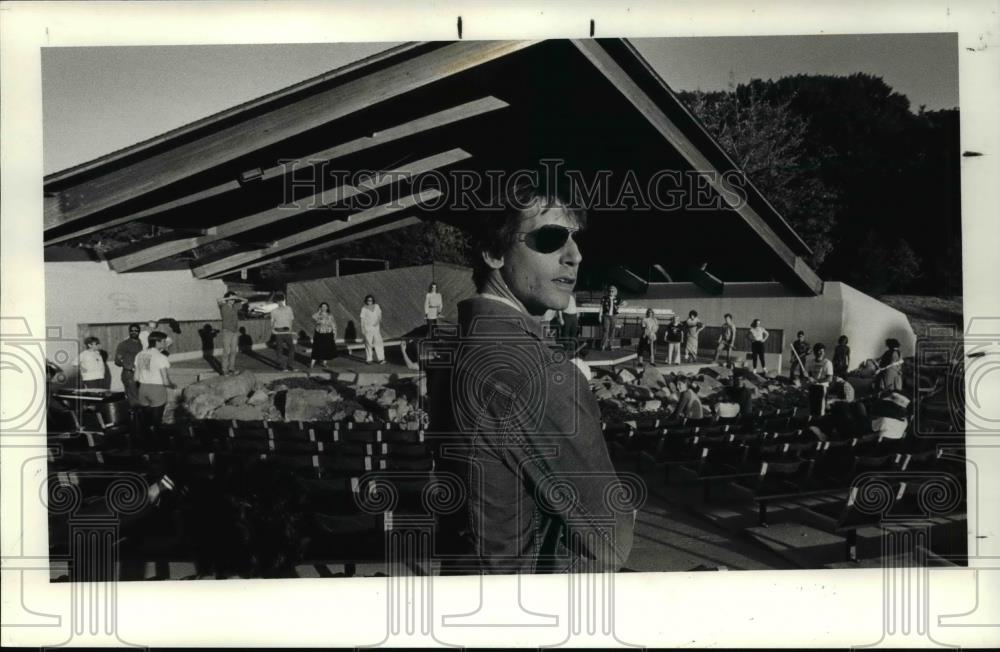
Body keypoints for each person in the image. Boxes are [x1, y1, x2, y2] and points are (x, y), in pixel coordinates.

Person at [427, 180, 634, 574]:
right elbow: (611, 537)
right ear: (492, 252)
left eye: (574, 239)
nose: (574, 255)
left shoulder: (456, 348)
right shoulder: (537, 370)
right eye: (551, 238)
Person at [134, 331, 176, 438]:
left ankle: (145, 444)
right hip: (157, 390)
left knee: (145, 422)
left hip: (143, 388)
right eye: (163, 341)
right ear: (157, 342)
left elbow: (136, 377)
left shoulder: (140, 354)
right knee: (156, 423)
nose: (165, 343)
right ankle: (156, 446)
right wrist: (172, 385)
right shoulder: (161, 357)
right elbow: (165, 380)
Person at [217, 291, 247, 376]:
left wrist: (236, 297)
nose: (232, 300)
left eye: (233, 299)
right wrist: (229, 298)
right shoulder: (223, 306)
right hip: (227, 331)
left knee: (234, 351)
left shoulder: (235, 307)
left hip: (235, 331)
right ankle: (224, 370)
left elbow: (246, 300)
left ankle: (231, 368)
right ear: (227, 299)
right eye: (231, 299)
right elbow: (218, 300)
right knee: (226, 351)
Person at [114, 323, 143, 405]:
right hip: (129, 375)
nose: (134, 332)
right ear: (129, 332)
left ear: (139, 332)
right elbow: (117, 360)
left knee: (139, 397)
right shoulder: (124, 344)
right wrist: (130, 367)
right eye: (131, 331)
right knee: (134, 400)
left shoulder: (139, 343)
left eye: (136, 331)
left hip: (138, 374)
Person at [269, 292, 296, 371]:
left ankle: (290, 365)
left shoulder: (289, 308)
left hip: (287, 331)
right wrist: (273, 330)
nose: (280, 302)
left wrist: (290, 328)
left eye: (281, 300)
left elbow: (291, 319)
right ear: (276, 302)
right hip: (278, 331)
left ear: (283, 300)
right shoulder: (274, 311)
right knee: (279, 349)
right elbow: (272, 322)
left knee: (292, 348)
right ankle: (281, 366)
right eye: (278, 301)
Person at [806, 343, 834, 416]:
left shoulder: (827, 363)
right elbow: (809, 375)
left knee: (820, 411)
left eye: (822, 351)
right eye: (818, 351)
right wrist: (808, 377)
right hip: (812, 388)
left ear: (824, 352)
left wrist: (816, 381)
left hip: (822, 388)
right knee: (812, 409)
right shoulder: (811, 362)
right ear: (814, 352)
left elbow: (829, 378)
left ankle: (820, 423)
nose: (820, 353)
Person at [309, 302, 337, 371]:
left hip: (328, 333)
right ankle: (312, 363)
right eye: (322, 307)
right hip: (319, 333)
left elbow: (333, 325)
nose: (324, 308)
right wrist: (318, 311)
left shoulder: (330, 315)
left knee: (326, 348)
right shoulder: (318, 315)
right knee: (316, 348)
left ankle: (324, 363)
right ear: (320, 308)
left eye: (325, 307)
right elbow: (313, 317)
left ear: (327, 308)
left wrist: (335, 334)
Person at [360, 295, 385, 365]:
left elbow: (380, 315)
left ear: (373, 300)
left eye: (371, 300)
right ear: (366, 301)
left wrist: (377, 322)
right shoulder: (364, 309)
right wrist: (363, 329)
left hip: (376, 328)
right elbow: (362, 320)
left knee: (378, 343)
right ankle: (369, 359)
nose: (369, 302)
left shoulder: (377, 306)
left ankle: (381, 359)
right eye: (368, 300)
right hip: (367, 328)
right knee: (368, 344)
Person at [599, 285, 625, 351]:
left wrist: (619, 308)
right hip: (606, 316)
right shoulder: (604, 298)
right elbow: (601, 308)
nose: (611, 292)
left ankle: (610, 345)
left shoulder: (618, 299)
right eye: (610, 291)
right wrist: (599, 316)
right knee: (606, 330)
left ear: (615, 292)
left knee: (612, 331)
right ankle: (603, 345)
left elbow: (625, 303)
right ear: (608, 291)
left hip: (614, 316)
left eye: (612, 291)